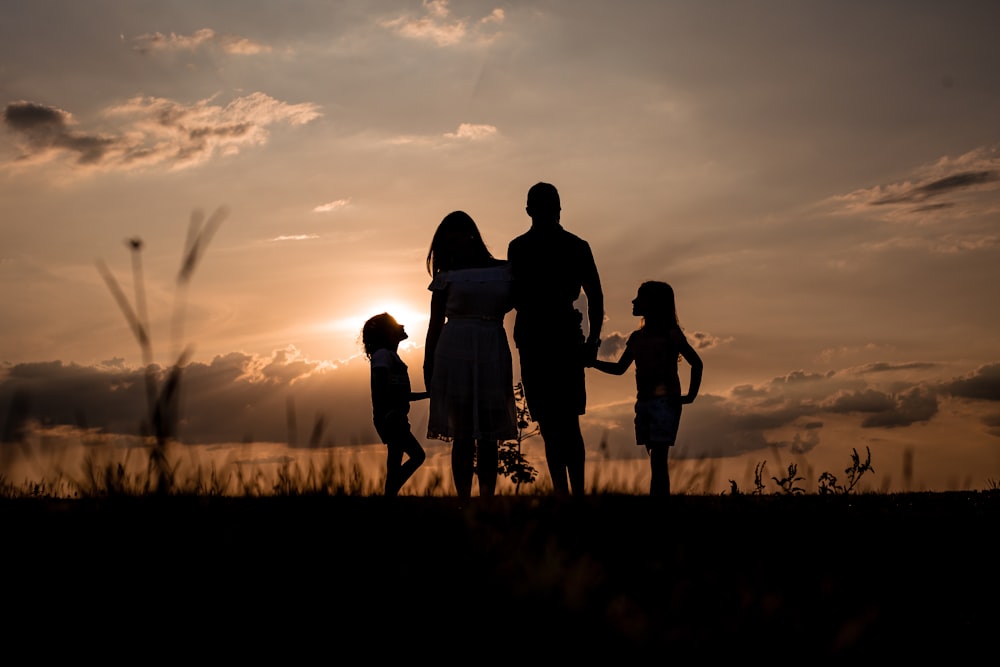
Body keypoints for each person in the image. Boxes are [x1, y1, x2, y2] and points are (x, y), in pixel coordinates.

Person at [507, 182, 603, 496]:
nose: (550, 211)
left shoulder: (574, 246)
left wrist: (592, 341)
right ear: (531, 210)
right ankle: (567, 494)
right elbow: (595, 297)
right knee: (552, 423)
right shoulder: (521, 247)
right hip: (541, 338)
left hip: (559, 338)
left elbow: (596, 295)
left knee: (563, 421)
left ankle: (572, 494)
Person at [424, 211, 518, 504]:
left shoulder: (504, 271)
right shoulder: (446, 278)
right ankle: (463, 500)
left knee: (489, 434)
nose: (453, 248)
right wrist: (428, 366)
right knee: (462, 432)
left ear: (472, 236)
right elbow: (434, 324)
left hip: (492, 346)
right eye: (447, 244)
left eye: (456, 240)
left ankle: (487, 499)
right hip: (454, 351)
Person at [588, 281, 703, 496]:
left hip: (665, 402)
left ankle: (657, 504)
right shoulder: (636, 337)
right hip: (644, 403)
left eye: (640, 297)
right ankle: (659, 503)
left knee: (659, 459)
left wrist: (690, 396)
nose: (634, 301)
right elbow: (620, 369)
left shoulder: (671, 335)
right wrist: (592, 363)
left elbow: (696, 362)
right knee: (655, 457)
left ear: (655, 304)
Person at [362, 312, 428, 497]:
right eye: (396, 324)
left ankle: (388, 499)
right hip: (391, 418)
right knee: (417, 456)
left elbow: (400, 395)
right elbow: (383, 389)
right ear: (387, 332)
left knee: (395, 462)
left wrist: (428, 394)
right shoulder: (383, 356)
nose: (402, 326)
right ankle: (389, 495)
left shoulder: (388, 355)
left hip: (395, 416)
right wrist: (389, 413)